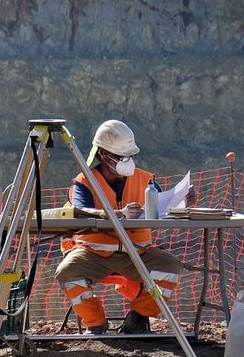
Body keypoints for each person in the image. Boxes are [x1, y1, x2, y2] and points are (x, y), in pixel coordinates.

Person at [55, 119, 194, 335]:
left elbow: (160, 207)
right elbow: (80, 213)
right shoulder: (85, 182)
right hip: (93, 255)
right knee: (67, 272)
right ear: (102, 155)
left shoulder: (145, 179)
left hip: (137, 253)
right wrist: (115, 215)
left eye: (129, 156)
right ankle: (95, 323)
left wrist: (183, 203)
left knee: (170, 267)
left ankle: (138, 317)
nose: (126, 161)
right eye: (120, 157)